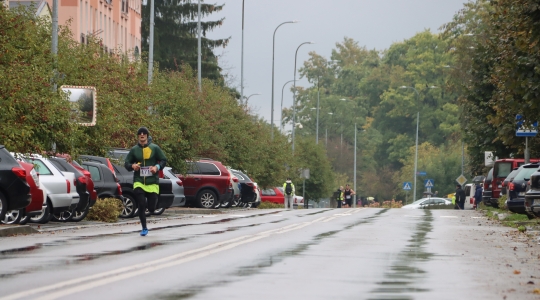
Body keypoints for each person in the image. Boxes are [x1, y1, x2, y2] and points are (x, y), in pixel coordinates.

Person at [124, 127, 167, 236]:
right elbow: (126, 163)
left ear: (147, 135)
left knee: (151, 208)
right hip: (139, 181)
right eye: (140, 133)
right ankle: (144, 228)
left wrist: (157, 167)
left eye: (144, 133)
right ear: (138, 136)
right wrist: (132, 166)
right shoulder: (134, 150)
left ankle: (152, 205)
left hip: (152, 181)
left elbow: (163, 160)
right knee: (142, 204)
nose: (142, 134)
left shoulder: (155, 148)